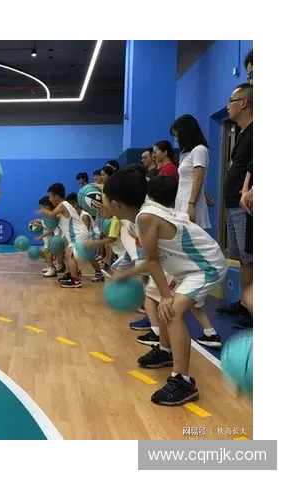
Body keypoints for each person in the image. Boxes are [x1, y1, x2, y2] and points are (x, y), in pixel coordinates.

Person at [103, 168, 227, 406]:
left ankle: (183, 381)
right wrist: (126, 274)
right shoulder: (144, 213)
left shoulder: (145, 217)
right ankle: (166, 351)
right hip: (189, 267)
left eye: (106, 200)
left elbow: (151, 261)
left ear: (116, 204)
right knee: (164, 304)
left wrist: (167, 296)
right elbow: (151, 261)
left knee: (172, 311)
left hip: (205, 266)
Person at [216, 83, 253, 329]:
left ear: (244, 103)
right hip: (233, 204)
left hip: (246, 206)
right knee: (241, 258)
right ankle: (245, 303)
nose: (228, 106)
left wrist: (248, 189)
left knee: (251, 258)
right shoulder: (242, 133)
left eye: (231, 100)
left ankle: (254, 308)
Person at [39, 183, 90, 288]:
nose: (49, 199)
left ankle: (75, 280)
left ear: (56, 197)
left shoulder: (62, 205)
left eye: (50, 197)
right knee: (68, 255)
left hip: (77, 234)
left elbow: (52, 214)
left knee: (69, 255)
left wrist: (43, 210)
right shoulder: (65, 205)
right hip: (77, 234)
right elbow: (56, 219)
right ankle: (70, 274)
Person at [170, 115, 211, 229]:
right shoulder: (187, 154)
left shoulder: (199, 150)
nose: (176, 139)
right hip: (182, 199)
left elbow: (198, 178)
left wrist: (191, 204)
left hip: (191, 202)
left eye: (177, 135)